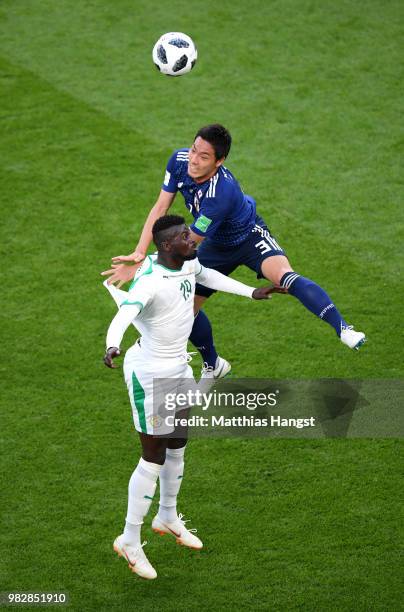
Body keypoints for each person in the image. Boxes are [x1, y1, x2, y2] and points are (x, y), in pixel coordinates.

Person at [102, 124, 365, 377]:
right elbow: (160, 208)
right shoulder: (179, 160)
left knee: (284, 276)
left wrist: (145, 265)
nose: (193, 159)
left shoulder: (221, 193)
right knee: (184, 309)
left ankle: (343, 328)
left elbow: (188, 242)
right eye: (194, 149)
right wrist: (139, 252)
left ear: (219, 161)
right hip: (215, 244)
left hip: (247, 238)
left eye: (203, 156)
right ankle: (213, 364)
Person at [104, 214, 276, 580]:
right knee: (152, 457)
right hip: (149, 374)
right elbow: (126, 312)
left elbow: (205, 275)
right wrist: (111, 344)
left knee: (178, 444)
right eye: (185, 236)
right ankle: (129, 540)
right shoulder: (149, 282)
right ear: (167, 246)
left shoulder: (185, 262)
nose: (192, 238)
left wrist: (251, 291)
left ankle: (167, 516)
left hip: (179, 367)